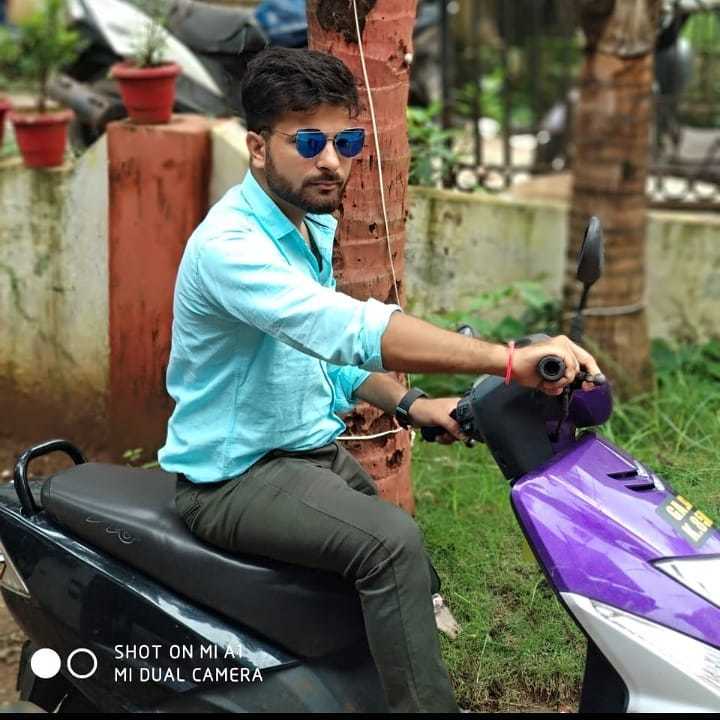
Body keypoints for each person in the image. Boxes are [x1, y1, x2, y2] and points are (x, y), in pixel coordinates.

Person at [158, 47, 602, 714]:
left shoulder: (303, 224)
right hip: (233, 476)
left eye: (345, 142)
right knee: (392, 548)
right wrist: (508, 359)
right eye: (308, 142)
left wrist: (412, 402)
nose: (331, 162)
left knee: (407, 562)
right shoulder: (232, 248)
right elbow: (345, 328)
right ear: (257, 147)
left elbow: (318, 358)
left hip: (304, 453)